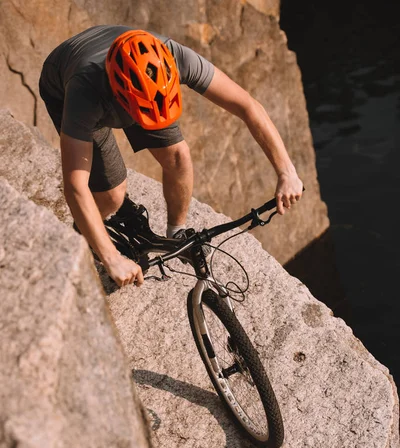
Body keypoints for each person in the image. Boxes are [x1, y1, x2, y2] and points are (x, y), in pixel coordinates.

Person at [39, 25, 303, 288]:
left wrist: (286, 172)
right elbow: (75, 186)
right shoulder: (83, 92)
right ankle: (81, 236)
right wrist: (111, 258)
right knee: (111, 195)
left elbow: (248, 106)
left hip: (141, 88)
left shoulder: (174, 57)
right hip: (67, 80)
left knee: (179, 157)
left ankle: (175, 231)